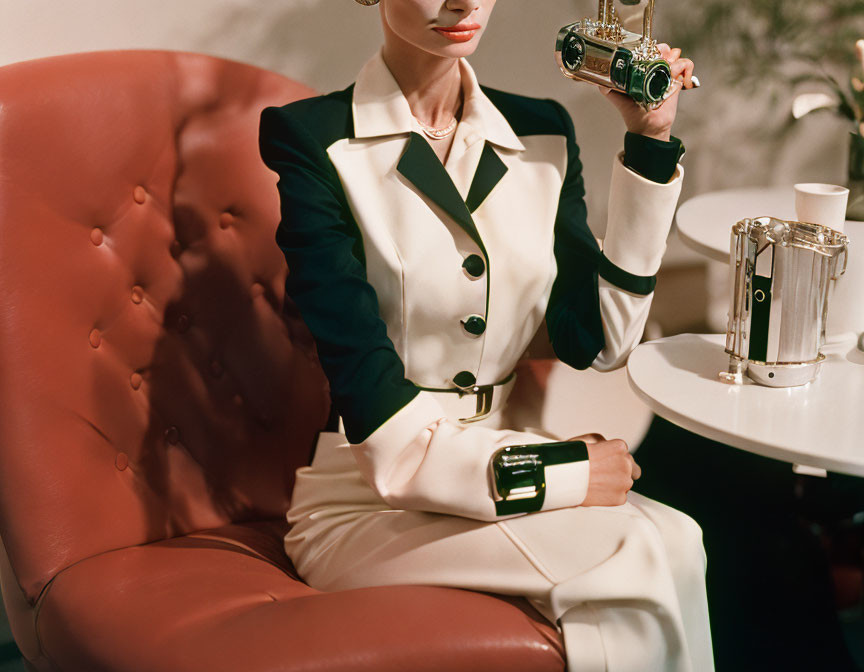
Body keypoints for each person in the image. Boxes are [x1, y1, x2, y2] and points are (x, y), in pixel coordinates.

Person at [257, 1, 712, 670]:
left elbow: (605, 339)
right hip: (365, 502)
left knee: (680, 536)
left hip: (495, 464)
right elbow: (394, 453)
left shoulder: (541, 133)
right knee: (639, 551)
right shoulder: (315, 141)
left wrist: (648, 140)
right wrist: (573, 468)